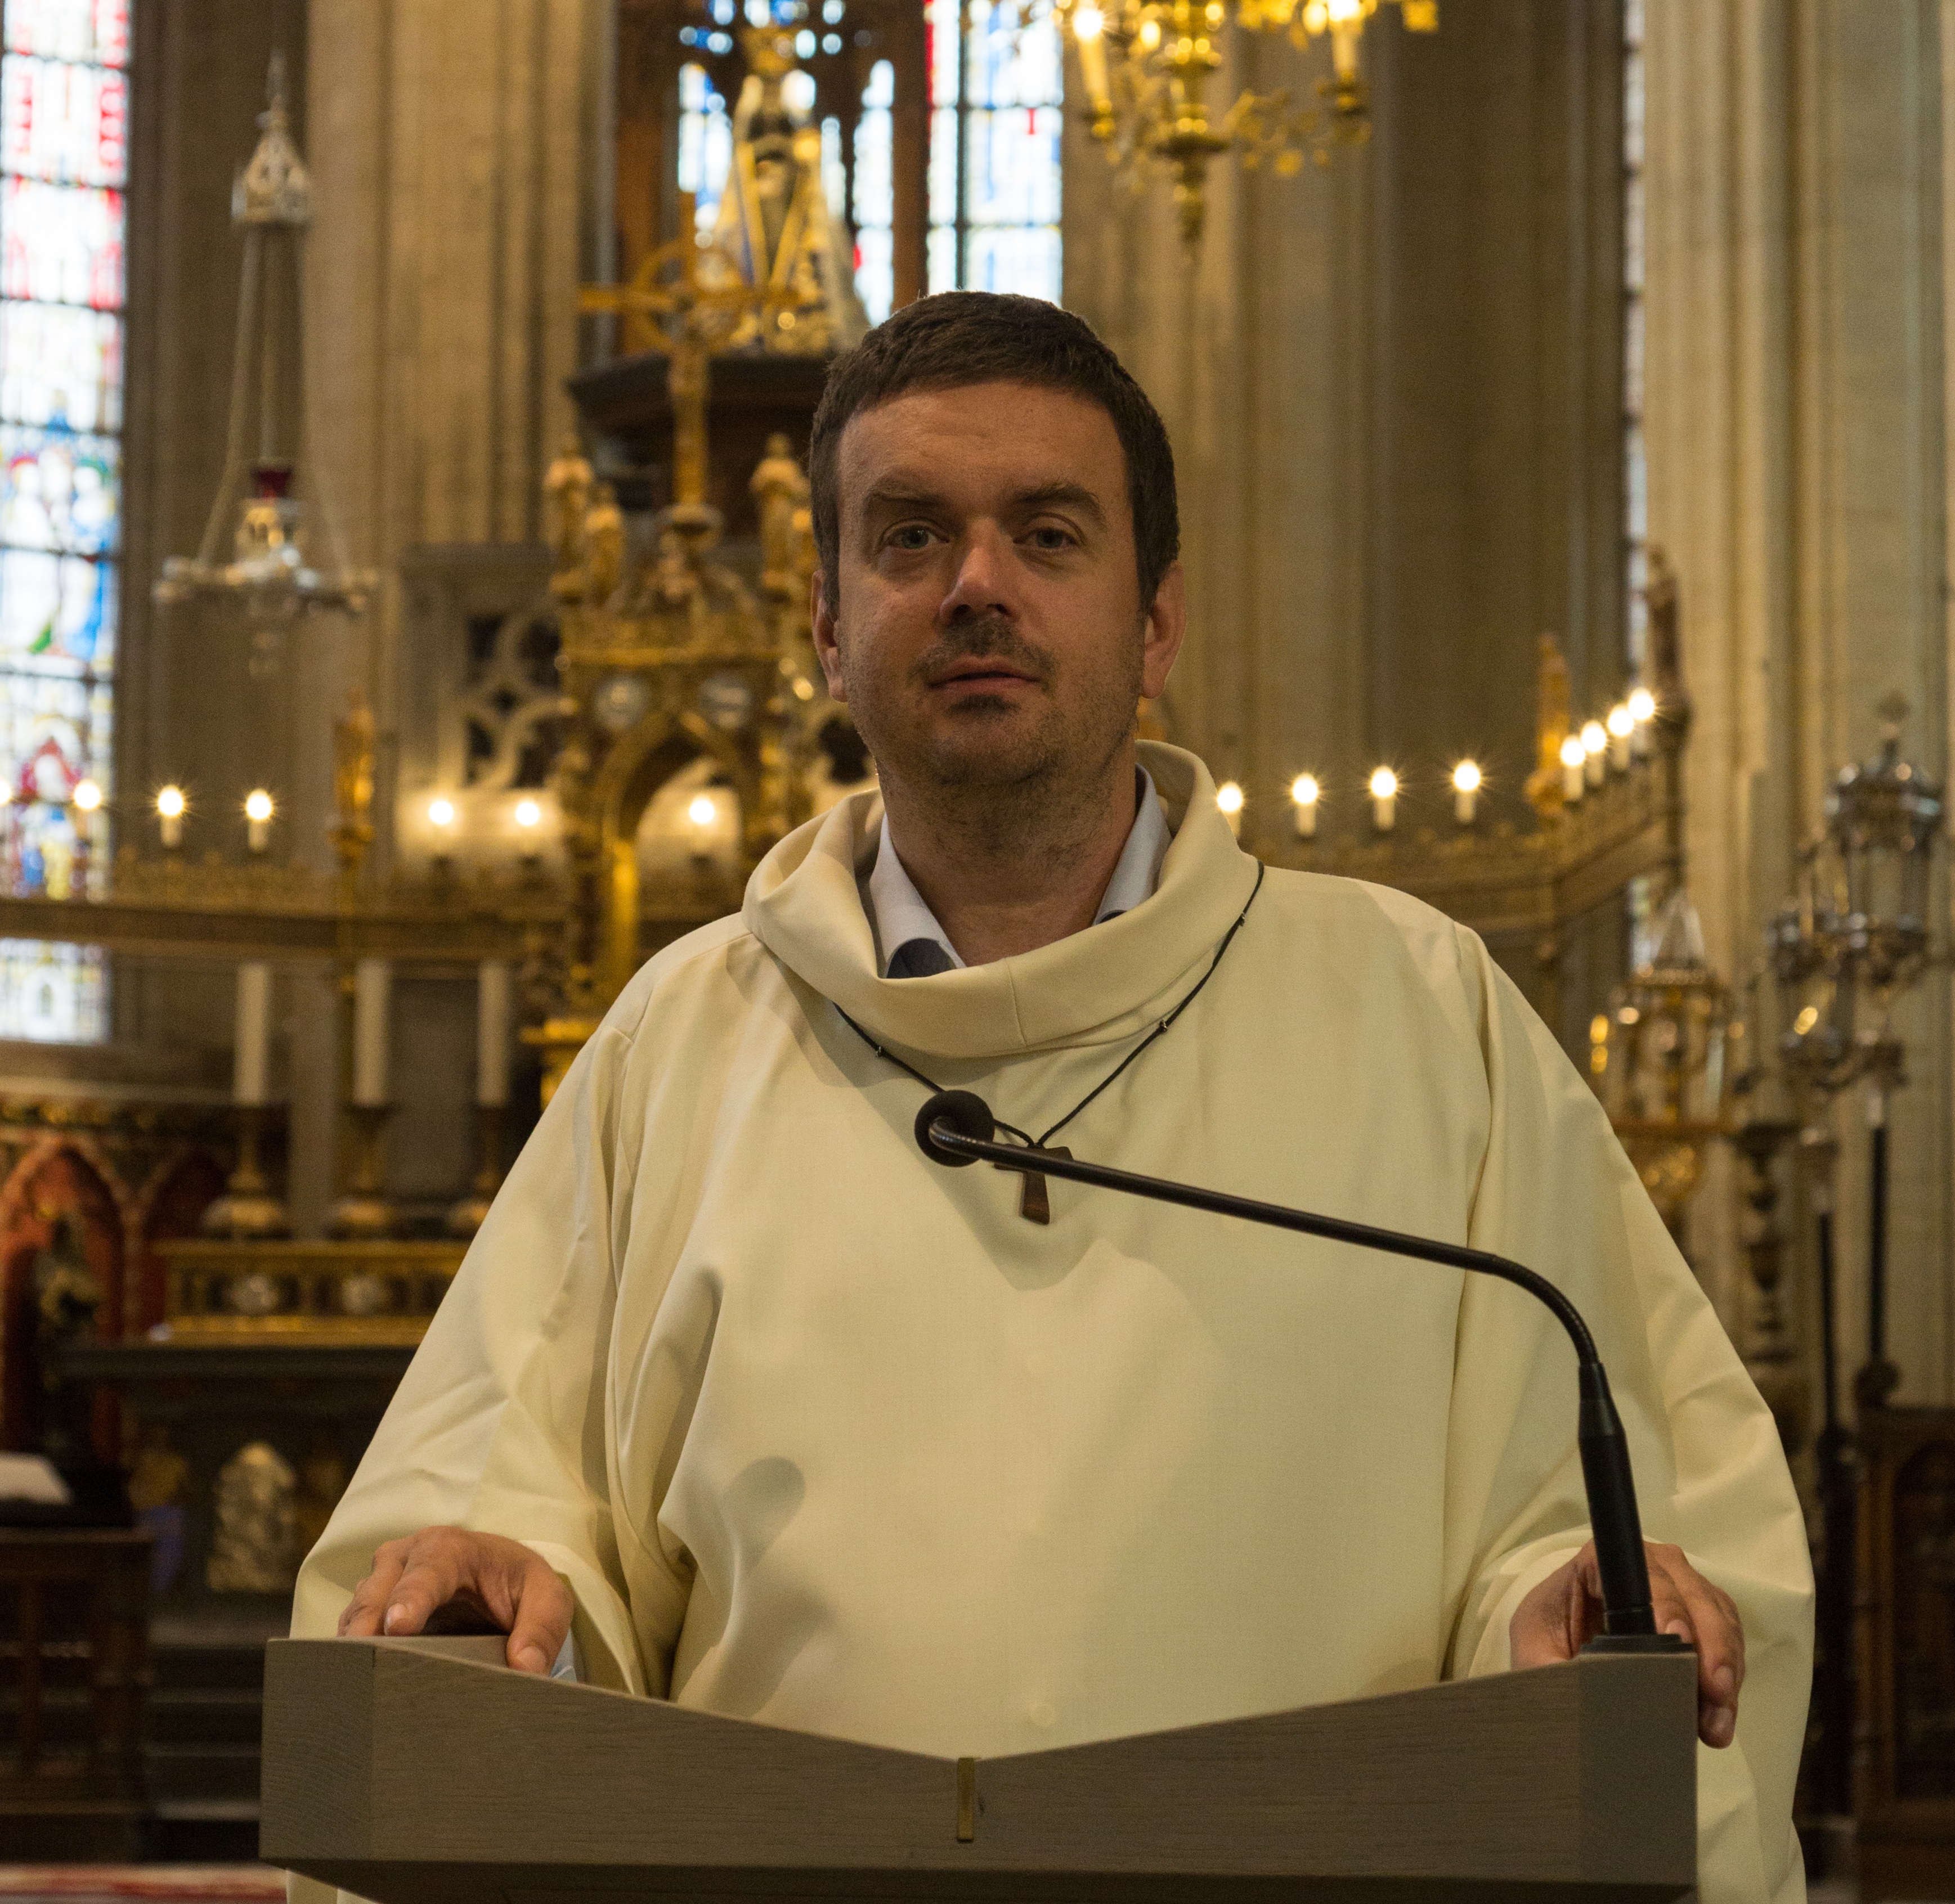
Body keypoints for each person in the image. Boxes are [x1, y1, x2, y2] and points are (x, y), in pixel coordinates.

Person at [295, 293, 1811, 1904]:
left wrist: (1570, 1619)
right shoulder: (682, 1045)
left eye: (1046, 532)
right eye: (907, 537)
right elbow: (506, 1528)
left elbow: (1594, 1517)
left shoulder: (1420, 1015)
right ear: (822, 626)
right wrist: (493, 1595)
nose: (975, 585)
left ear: (1154, 624)